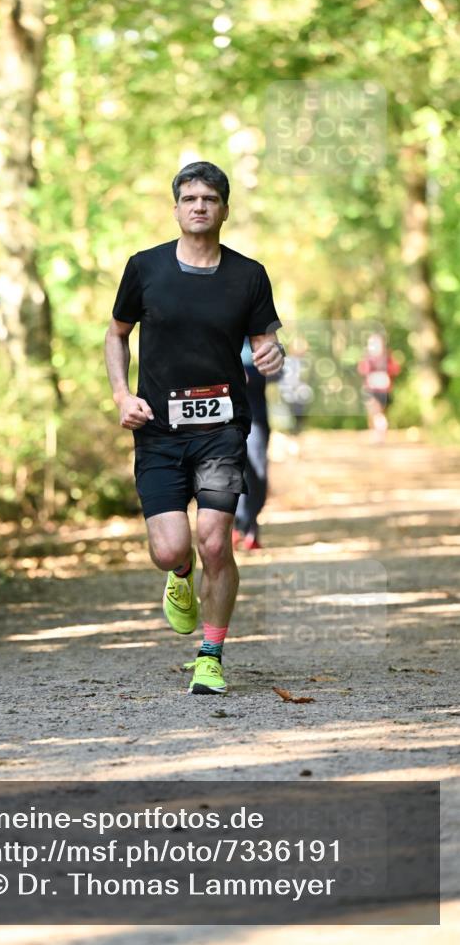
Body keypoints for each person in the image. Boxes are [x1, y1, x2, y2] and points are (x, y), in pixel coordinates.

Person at [105, 161, 284, 695]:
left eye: (209, 198)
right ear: (177, 207)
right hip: (158, 427)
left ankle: (211, 653)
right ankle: (176, 576)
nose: (199, 206)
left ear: (224, 209)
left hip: (222, 427)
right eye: (189, 198)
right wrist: (122, 395)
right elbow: (116, 335)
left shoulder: (248, 275)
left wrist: (274, 353)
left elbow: (266, 340)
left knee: (214, 541)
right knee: (171, 549)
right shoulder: (145, 268)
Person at [232, 337, 270, 552]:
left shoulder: (259, 328)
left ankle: (252, 526)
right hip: (225, 418)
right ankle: (237, 525)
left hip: (256, 417)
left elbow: (279, 367)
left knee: (258, 471)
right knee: (234, 470)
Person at [358, 332, 400, 443]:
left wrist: (386, 374)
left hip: (383, 390)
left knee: (379, 413)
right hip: (371, 389)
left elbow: (395, 369)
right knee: (374, 412)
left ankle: (380, 432)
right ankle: (378, 432)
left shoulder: (387, 357)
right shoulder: (368, 357)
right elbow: (362, 369)